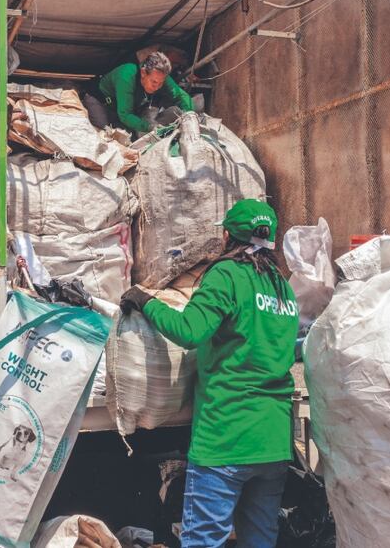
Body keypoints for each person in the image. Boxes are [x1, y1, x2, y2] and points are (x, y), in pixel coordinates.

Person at [120, 200, 299, 548]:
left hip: (227, 437)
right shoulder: (282, 287)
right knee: (261, 540)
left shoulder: (226, 275)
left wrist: (146, 301)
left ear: (227, 235)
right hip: (274, 440)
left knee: (204, 540)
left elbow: (190, 330)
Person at [83, 51, 194, 134]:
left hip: (120, 106)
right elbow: (125, 115)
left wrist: (190, 115)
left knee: (131, 135)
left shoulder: (160, 76)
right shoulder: (126, 75)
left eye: (161, 83)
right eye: (154, 82)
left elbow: (180, 95)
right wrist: (150, 127)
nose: (157, 86)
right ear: (143, 73)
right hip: (99, 102)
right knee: (106, 136)